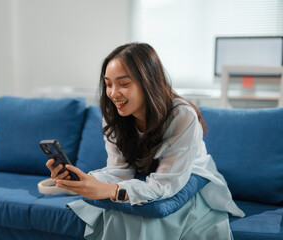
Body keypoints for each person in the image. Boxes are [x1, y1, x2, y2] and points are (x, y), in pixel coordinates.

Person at [46, 43, 244, 240]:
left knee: (141, 220)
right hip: (146, 179)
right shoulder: (115, 115)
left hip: (185, 179)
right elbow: (119, 170)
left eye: (124, 84)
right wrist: (85, 181)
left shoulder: (182, 115)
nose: (114, 93)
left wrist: (111, 190)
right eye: (108, 84)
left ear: (148, 82)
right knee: (118, 214)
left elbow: (166, 183)